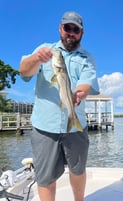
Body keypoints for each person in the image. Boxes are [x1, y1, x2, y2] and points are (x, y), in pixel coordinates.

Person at [20, 11, 99, 201]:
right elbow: (24, 72)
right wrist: (36, 59)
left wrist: (79, 93)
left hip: (76, 126)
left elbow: (86, 84)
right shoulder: (45, 50)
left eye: (75, 29)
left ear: (81, 33)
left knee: (78, 169)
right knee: (45, 176)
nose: (70, 32)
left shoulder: (88, 58)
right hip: (44, 126)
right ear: (60, 28)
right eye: (67, 28)